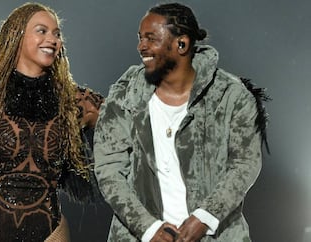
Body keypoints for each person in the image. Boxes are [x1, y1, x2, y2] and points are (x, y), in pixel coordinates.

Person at [94, 2, 269, 242]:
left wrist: (206, 216)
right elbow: (109, 168)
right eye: (140, 38)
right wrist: (147, 228)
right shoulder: (126, 94)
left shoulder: (231, 96)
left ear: (182, 44)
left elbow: (245, 163)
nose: (141, 46)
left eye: (150, 38)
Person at [0, 2, 103, 242]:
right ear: (17, 36)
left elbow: (133, 122)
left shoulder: (75, 101)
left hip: (49, 228)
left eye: (57, 34)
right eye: (42, 30)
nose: (53, 39)